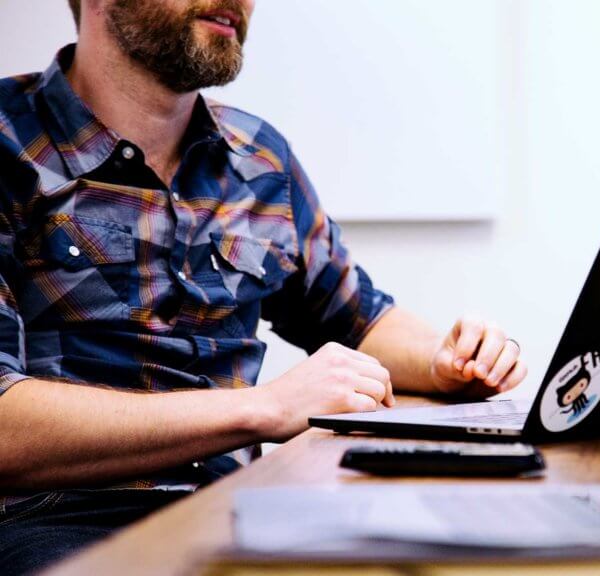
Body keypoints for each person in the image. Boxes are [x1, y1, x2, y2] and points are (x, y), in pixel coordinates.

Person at [0, 0, 526, 572]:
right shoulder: (7, 143)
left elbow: (358, 318)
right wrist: (264, 408)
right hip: (57, 522)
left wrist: (445, 358)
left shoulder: (260, 159)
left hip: (242, 507)